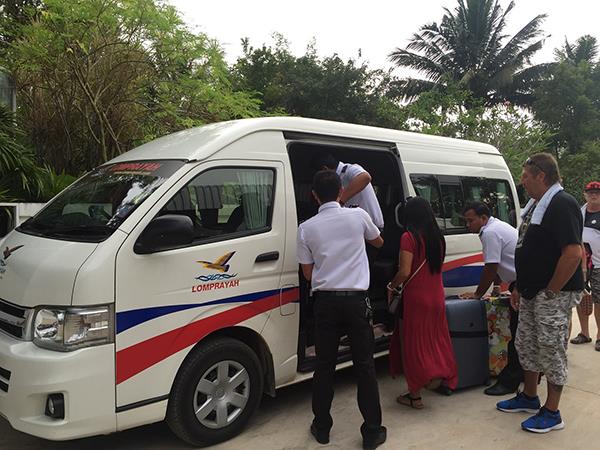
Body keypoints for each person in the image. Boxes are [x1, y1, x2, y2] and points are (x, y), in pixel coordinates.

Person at [297, 170, 387, 449]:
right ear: (341, 191)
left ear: (313, 195)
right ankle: (372, 431)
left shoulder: (306, 228)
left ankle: (322, 427)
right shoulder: (358, 216)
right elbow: (379, 241)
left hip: (325, 303)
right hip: (356, 302)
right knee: (364, 367)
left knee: (324, 367)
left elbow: (308, 275)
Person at [496, 153, 583, 433]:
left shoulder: (562, 204)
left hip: (552, 294)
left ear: (541, 176)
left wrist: (551, 290)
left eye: (525, 177)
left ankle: (552, 412)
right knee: (526, 344)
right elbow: (530, 249)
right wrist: (521, 286)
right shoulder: (535, 205)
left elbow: (573, 253)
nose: (522, 183)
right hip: (533, 291)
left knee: (551, 349)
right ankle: (530, 397)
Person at [387, 196, 458, 409]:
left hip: (416, 299)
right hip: (436, 296)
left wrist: (391, 285)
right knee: (436, 340)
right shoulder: (439, 238)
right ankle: (441, 376)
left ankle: (415, 395)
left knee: (414, 345)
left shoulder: (408, 238)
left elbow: (405, 271)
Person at [460, 202, 523, 396]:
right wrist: (496, 287)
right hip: (519, 282)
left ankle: (511, 380)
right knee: (521, 332)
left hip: (521, 285)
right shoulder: (497, 227)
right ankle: (525, 374)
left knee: (518, 334)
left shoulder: (490, 232)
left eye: (471, 221)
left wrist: (478, 294)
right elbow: (498, 262)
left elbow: (491, 266)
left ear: (483, 218)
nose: (468, 225)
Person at [311, 153, 384, 229]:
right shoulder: (333, 180)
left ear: (325, 169)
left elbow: (365, 177)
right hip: (354, 228)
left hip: (372, 228)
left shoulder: (348, 169)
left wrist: (340, 202)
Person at [571, 181, 600, 351]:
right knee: (581, 296)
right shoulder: (579, 212)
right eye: (590, 192)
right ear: (585, 194)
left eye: (597, 192)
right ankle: (584, 332)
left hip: (598, 264)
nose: (594, 195)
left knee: (599, 300)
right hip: (580, 262)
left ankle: (599, 336)